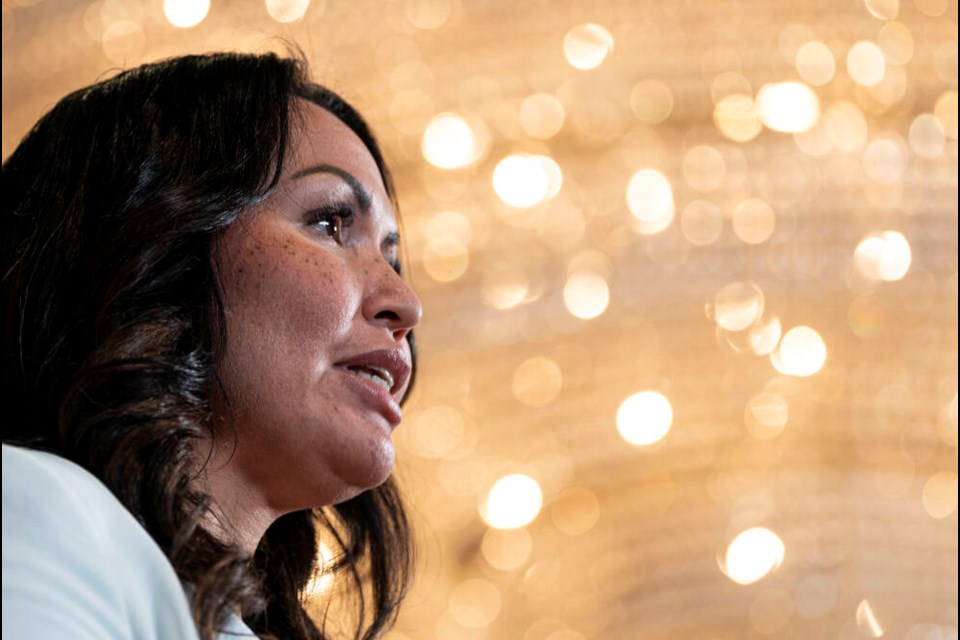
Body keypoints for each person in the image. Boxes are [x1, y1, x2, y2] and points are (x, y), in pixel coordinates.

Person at [1, 51, 422, 640]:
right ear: (157, 253)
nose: (406, 302)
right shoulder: (35, 508)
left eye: (391, 256)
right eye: (329, 223)